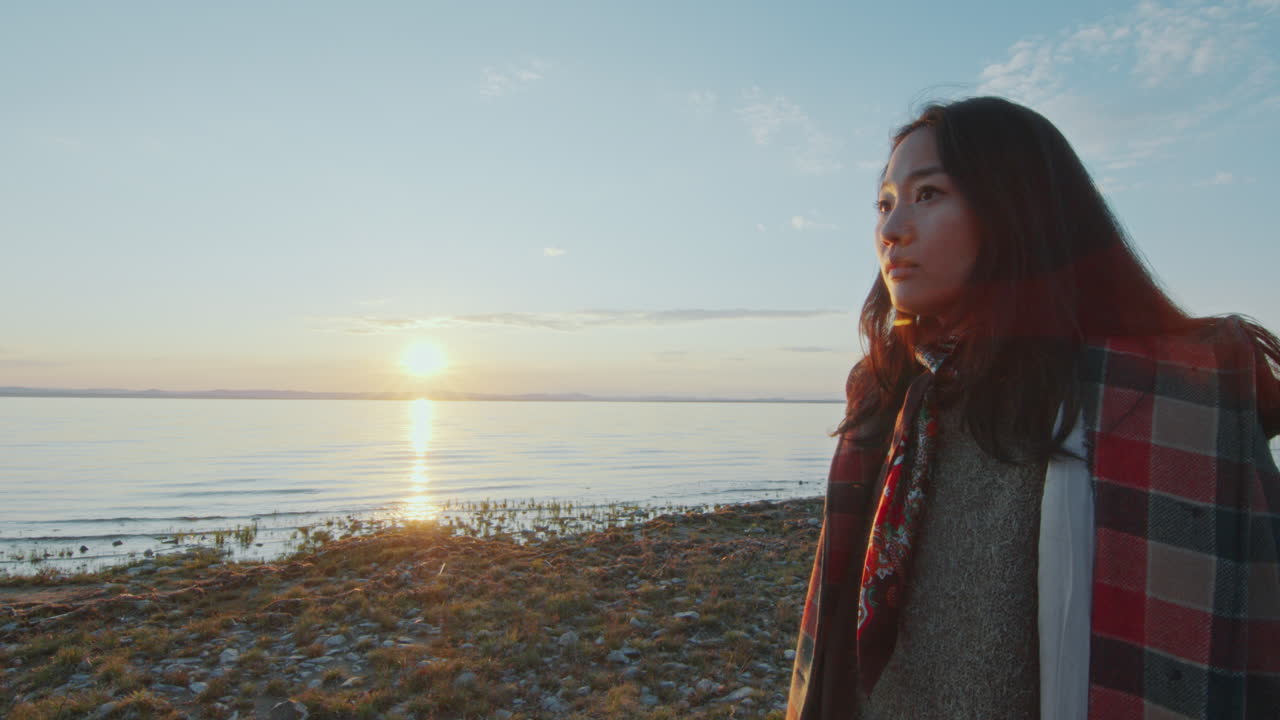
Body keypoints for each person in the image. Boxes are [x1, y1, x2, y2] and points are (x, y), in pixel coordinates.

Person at [786, 96, 1280, 719]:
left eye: (928, 194)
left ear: (1015, 206)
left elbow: (1252, 646)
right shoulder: (889, 400)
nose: (890, 230)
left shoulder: (1158, 405)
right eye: (884, 203)